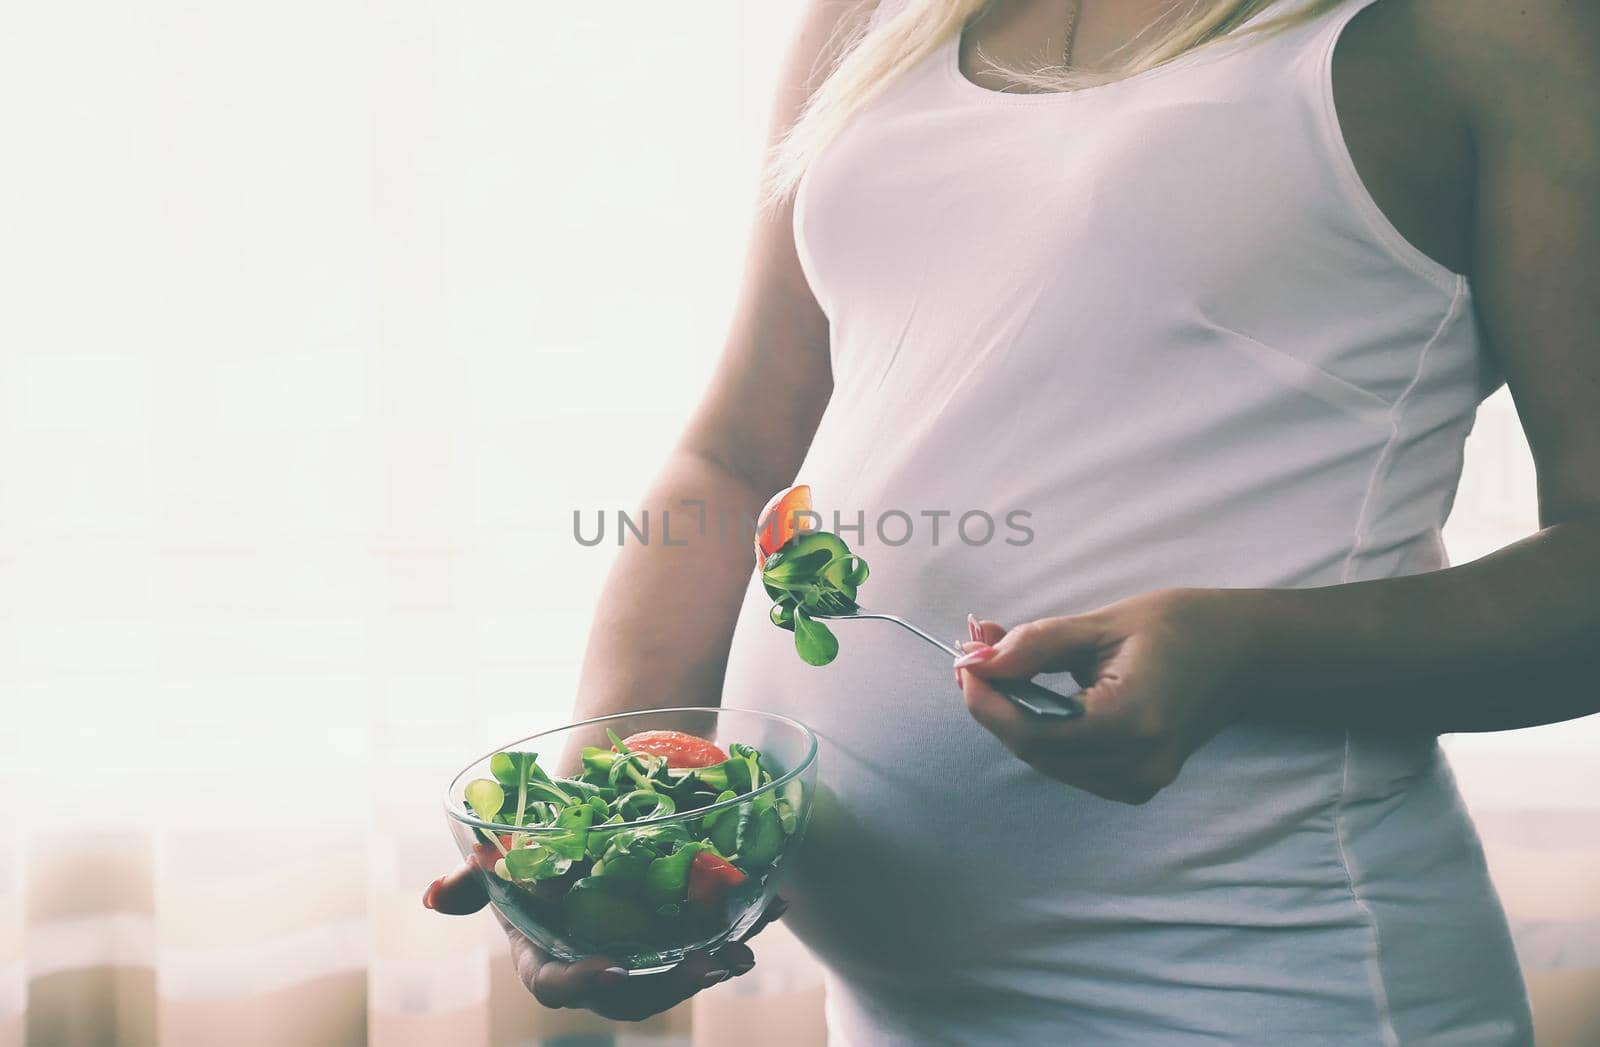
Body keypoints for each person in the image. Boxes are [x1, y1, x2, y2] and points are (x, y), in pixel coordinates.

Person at [427, 0, 1600, 1040]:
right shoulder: (876, 14)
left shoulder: (1485, 28)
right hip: (897, 1014)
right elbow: (733, 456)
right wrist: (588, 831)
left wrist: (1248, 653)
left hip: (1263, 981)